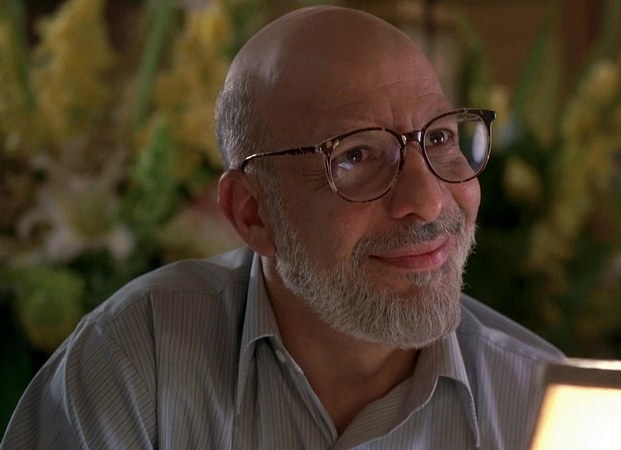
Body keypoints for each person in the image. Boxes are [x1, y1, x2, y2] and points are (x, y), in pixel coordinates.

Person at [2, 6, 564, 449]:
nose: (427, 199)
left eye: (439, 137)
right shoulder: (133, 364)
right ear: (252, 213)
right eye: (356, 155)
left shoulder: (550, 408)